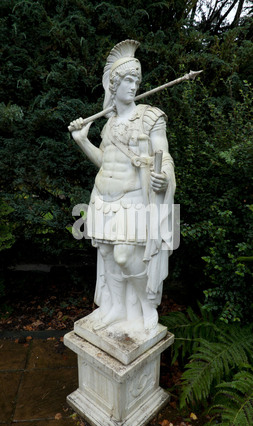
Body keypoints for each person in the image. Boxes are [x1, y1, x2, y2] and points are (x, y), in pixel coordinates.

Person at [69, 40, 176, 332]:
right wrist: (82, 141)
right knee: (106, 255)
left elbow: (162, 154)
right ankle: (115, 307)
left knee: (125, 256)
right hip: (102, 197)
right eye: (128, 80)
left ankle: (144, 304)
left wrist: (163, 176)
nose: (134, 86)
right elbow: (105, 161)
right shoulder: (108, 123)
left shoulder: (151, 117)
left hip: (133, 200)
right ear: (113, 86)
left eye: (137, 81)